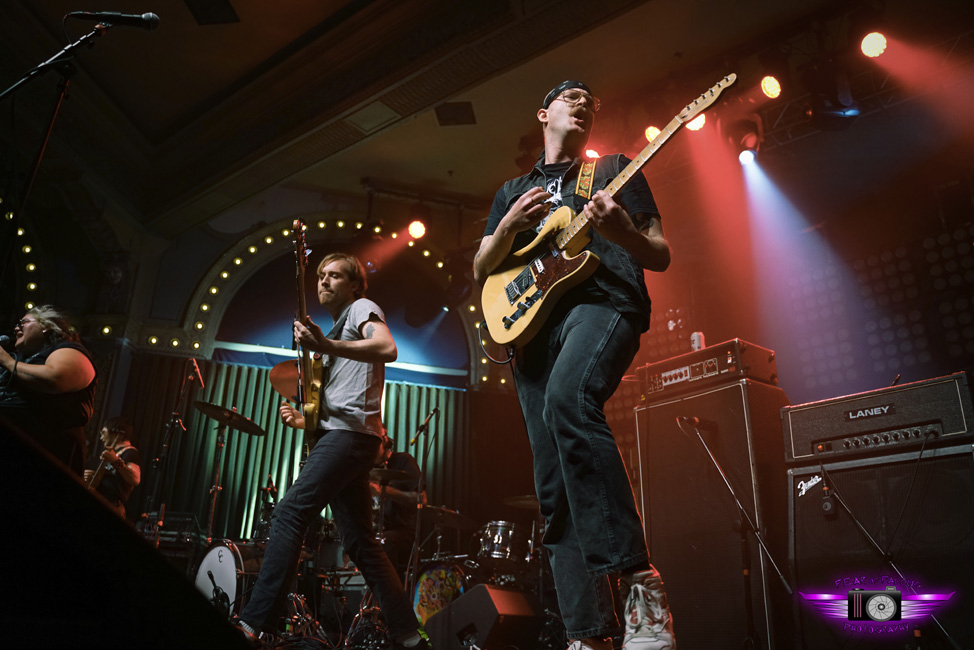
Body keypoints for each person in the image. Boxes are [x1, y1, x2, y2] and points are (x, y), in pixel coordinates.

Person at [473, 81, 676, 650]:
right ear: (544, 113)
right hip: (533, 328)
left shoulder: (614, 168)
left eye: (591, 99)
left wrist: (622, 230)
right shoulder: (514, 189)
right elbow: (482, 266)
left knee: (569, 398)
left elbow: (658, 253)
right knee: (552, 485)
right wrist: (511, 223)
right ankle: (588, 634)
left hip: (604, 301)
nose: (583, 102)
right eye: (570, 96)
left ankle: (639, 583)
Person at [234, 253, 426, 650]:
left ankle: (254, 623)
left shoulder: (362, 308)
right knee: (361, 543)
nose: (323, 281)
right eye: (320, 275)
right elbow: (341, 399)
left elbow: (387, 348)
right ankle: (410, 635)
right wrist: (306, 419)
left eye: (335, 275)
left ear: (355, 285)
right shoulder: (339, 326)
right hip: (347, 435)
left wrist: (324, 343)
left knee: (290, 512)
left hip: (351, 437)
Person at [0, 305, 97, 476]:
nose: (16, 328)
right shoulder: (21, 359)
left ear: (46, 326)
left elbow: (55, 378)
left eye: (23, 322)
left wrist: (7, 362)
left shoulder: (68, 350)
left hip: (44, 457)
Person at [371, 430, 426, 578]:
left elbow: (421, 499)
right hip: (379, 530)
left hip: (404, 531)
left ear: (384, 443)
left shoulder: (404, 461)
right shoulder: (369, 467)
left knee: (383, 542)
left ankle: (391, 593)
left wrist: (384, 491)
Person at [84, 416, 142, 518]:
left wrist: (116, 461)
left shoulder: (129, 453)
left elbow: (135, 479)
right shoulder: (114, 453)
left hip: (112, 508)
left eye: (103, 432)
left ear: (115, 432)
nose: (101, 437)